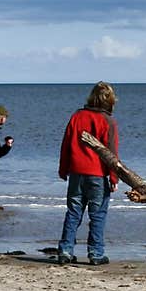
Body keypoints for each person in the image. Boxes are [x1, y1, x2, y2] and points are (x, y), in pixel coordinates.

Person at [56, 82, 118, 265]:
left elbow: (66, 144)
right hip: (97, 174)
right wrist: (114, 177)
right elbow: (112, 152)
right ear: (110, 101)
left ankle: (66, 251)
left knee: (73, 212)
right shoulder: (108, 121)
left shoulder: (77, 116)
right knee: (97, 214)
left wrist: (63, 168)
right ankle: (96, 253)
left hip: (76, 172)